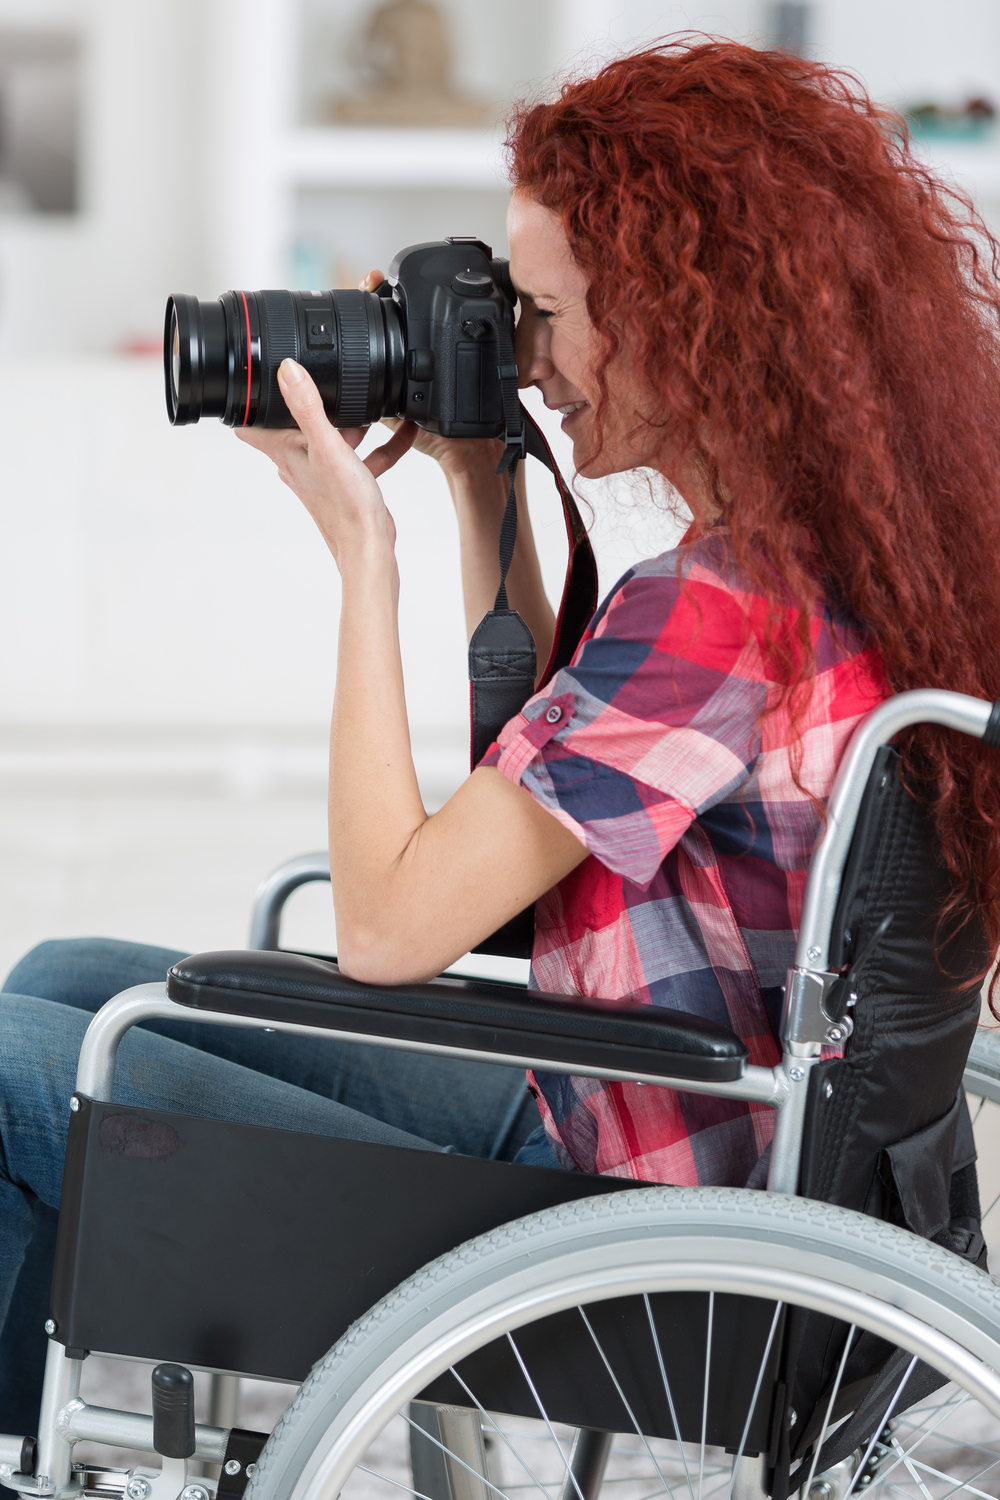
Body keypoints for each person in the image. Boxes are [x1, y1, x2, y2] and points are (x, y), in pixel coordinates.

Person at [3, 36, 1000, 1436]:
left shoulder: (713, 612)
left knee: (21, 1056)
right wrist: (483, 488)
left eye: (545, 315)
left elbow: (390, 929)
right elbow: (525, 807)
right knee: (66, 976)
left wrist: (364, 556)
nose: (524, 361)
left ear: (686, 317)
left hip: (630, 1241)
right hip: (675, 1150)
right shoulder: (833, 568)